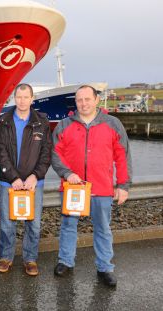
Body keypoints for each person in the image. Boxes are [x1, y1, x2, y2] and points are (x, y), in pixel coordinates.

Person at [51, 85, 132, 287]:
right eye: (79, 100)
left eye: (88, 99)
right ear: (75, 102)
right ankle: (65, 261)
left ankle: (105, 267)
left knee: (103, 228)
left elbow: (123, 156)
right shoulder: (64, 125)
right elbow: (55, 154)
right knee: (68, 226)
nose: (83, 103)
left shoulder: (113, 124)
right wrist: (67, 173)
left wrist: (123, 185)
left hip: (102, 188)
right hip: (72, 187)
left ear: (96, 100)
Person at [0, 83, 52, 276]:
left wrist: (35, 176)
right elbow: (0, 152)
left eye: (26, 97)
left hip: (34, 183)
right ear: (14, 98)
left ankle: (30, 259)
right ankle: (6, 257)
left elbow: (46, 153)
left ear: (32, 99)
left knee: (33, 223)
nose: (22, 101)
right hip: (8, 182)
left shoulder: (41, 122)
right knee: (7, 223)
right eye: (18, 97)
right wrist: (13, 178)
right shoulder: (3, 121)